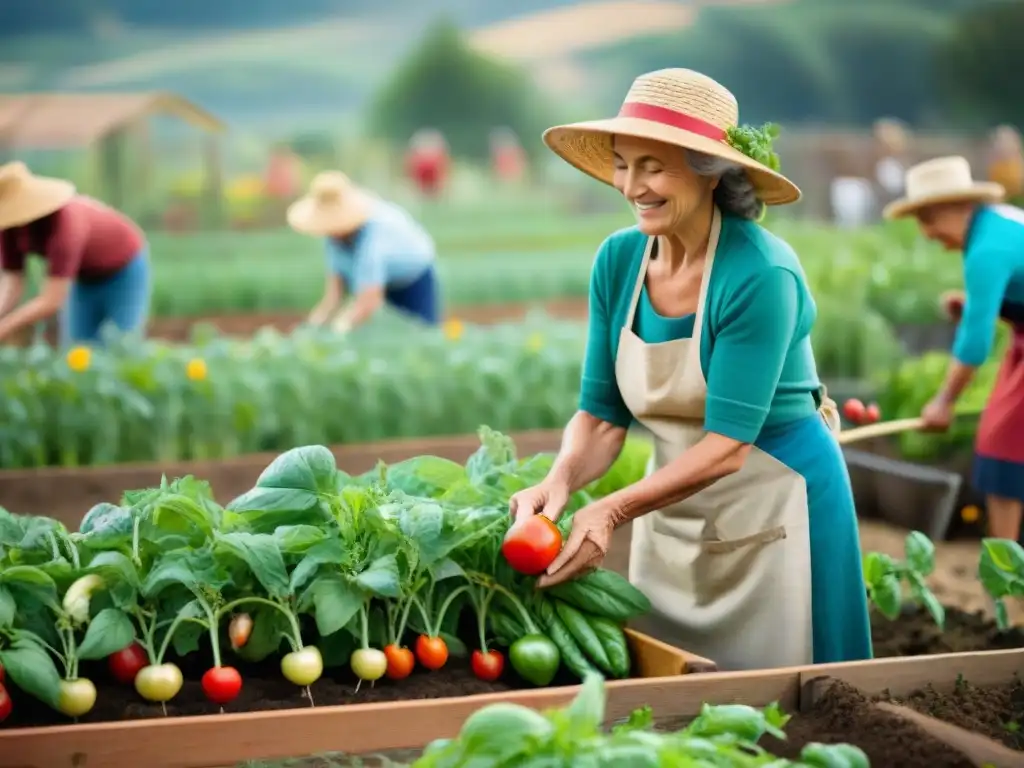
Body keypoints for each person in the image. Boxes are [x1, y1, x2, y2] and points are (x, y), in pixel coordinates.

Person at [508, 68, 872, 671]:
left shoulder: (760, 274)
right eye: (624, 163)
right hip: (673, 502)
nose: (631, 186)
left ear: (711, 172)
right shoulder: (619, 260)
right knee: (671, 706)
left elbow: (730, 446)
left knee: (793, 704)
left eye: (653, 165)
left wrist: (612, 509)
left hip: (777, 504)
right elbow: (600, 417)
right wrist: (562, 481)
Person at [884, 155, 1024, 542]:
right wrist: (974, 305)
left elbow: (974, 345)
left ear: (958, 207)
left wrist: (944, 401)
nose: (927, 233)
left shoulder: (985, 250)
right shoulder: (1000, 222)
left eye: (927, 219)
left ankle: (1004, 575)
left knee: (1001, 445)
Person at [0, 162, 151, 346]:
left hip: (124, 269)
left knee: (123, 345)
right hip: (84, 277)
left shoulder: (65, 224)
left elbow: (52, 300)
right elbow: (13, 280)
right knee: (78, 347)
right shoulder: (10, 228)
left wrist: (6, 326)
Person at [288, 171, 441, 332]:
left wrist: (340, 328)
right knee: (381, 334)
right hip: (380, 282)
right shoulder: (333, 239)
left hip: (413, 277)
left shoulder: (374, 237)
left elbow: (368, 302)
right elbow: (334, 296)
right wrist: (311, 327)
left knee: (423, 332)